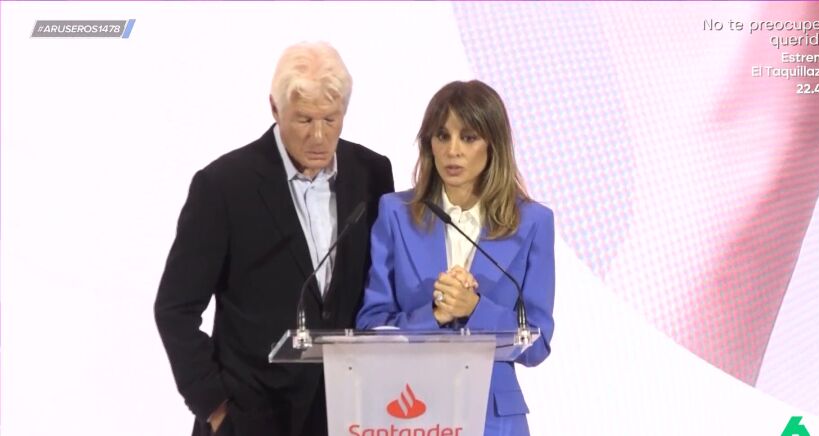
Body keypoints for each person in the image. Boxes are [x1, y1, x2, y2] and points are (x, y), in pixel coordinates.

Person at [155, 42, 394, 436]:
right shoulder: (223, 186)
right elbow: (175, 308)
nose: (319, 136)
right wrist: (215, 407)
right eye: (304, 120)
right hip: (250, 416)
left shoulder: (372, 172)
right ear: (274, 108)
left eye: (331, 119)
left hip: (345, 414)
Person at [356, 80, 555, 436]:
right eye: (442, 136)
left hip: (496, 420)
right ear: (428, 144)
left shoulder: (533, 222)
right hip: (411, 413)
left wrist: (474, 309)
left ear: (493, 144)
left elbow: (536, 344)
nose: (453, 151)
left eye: (468, 137)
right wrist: (435, 315)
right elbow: (371, 327)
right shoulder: (396, 213)